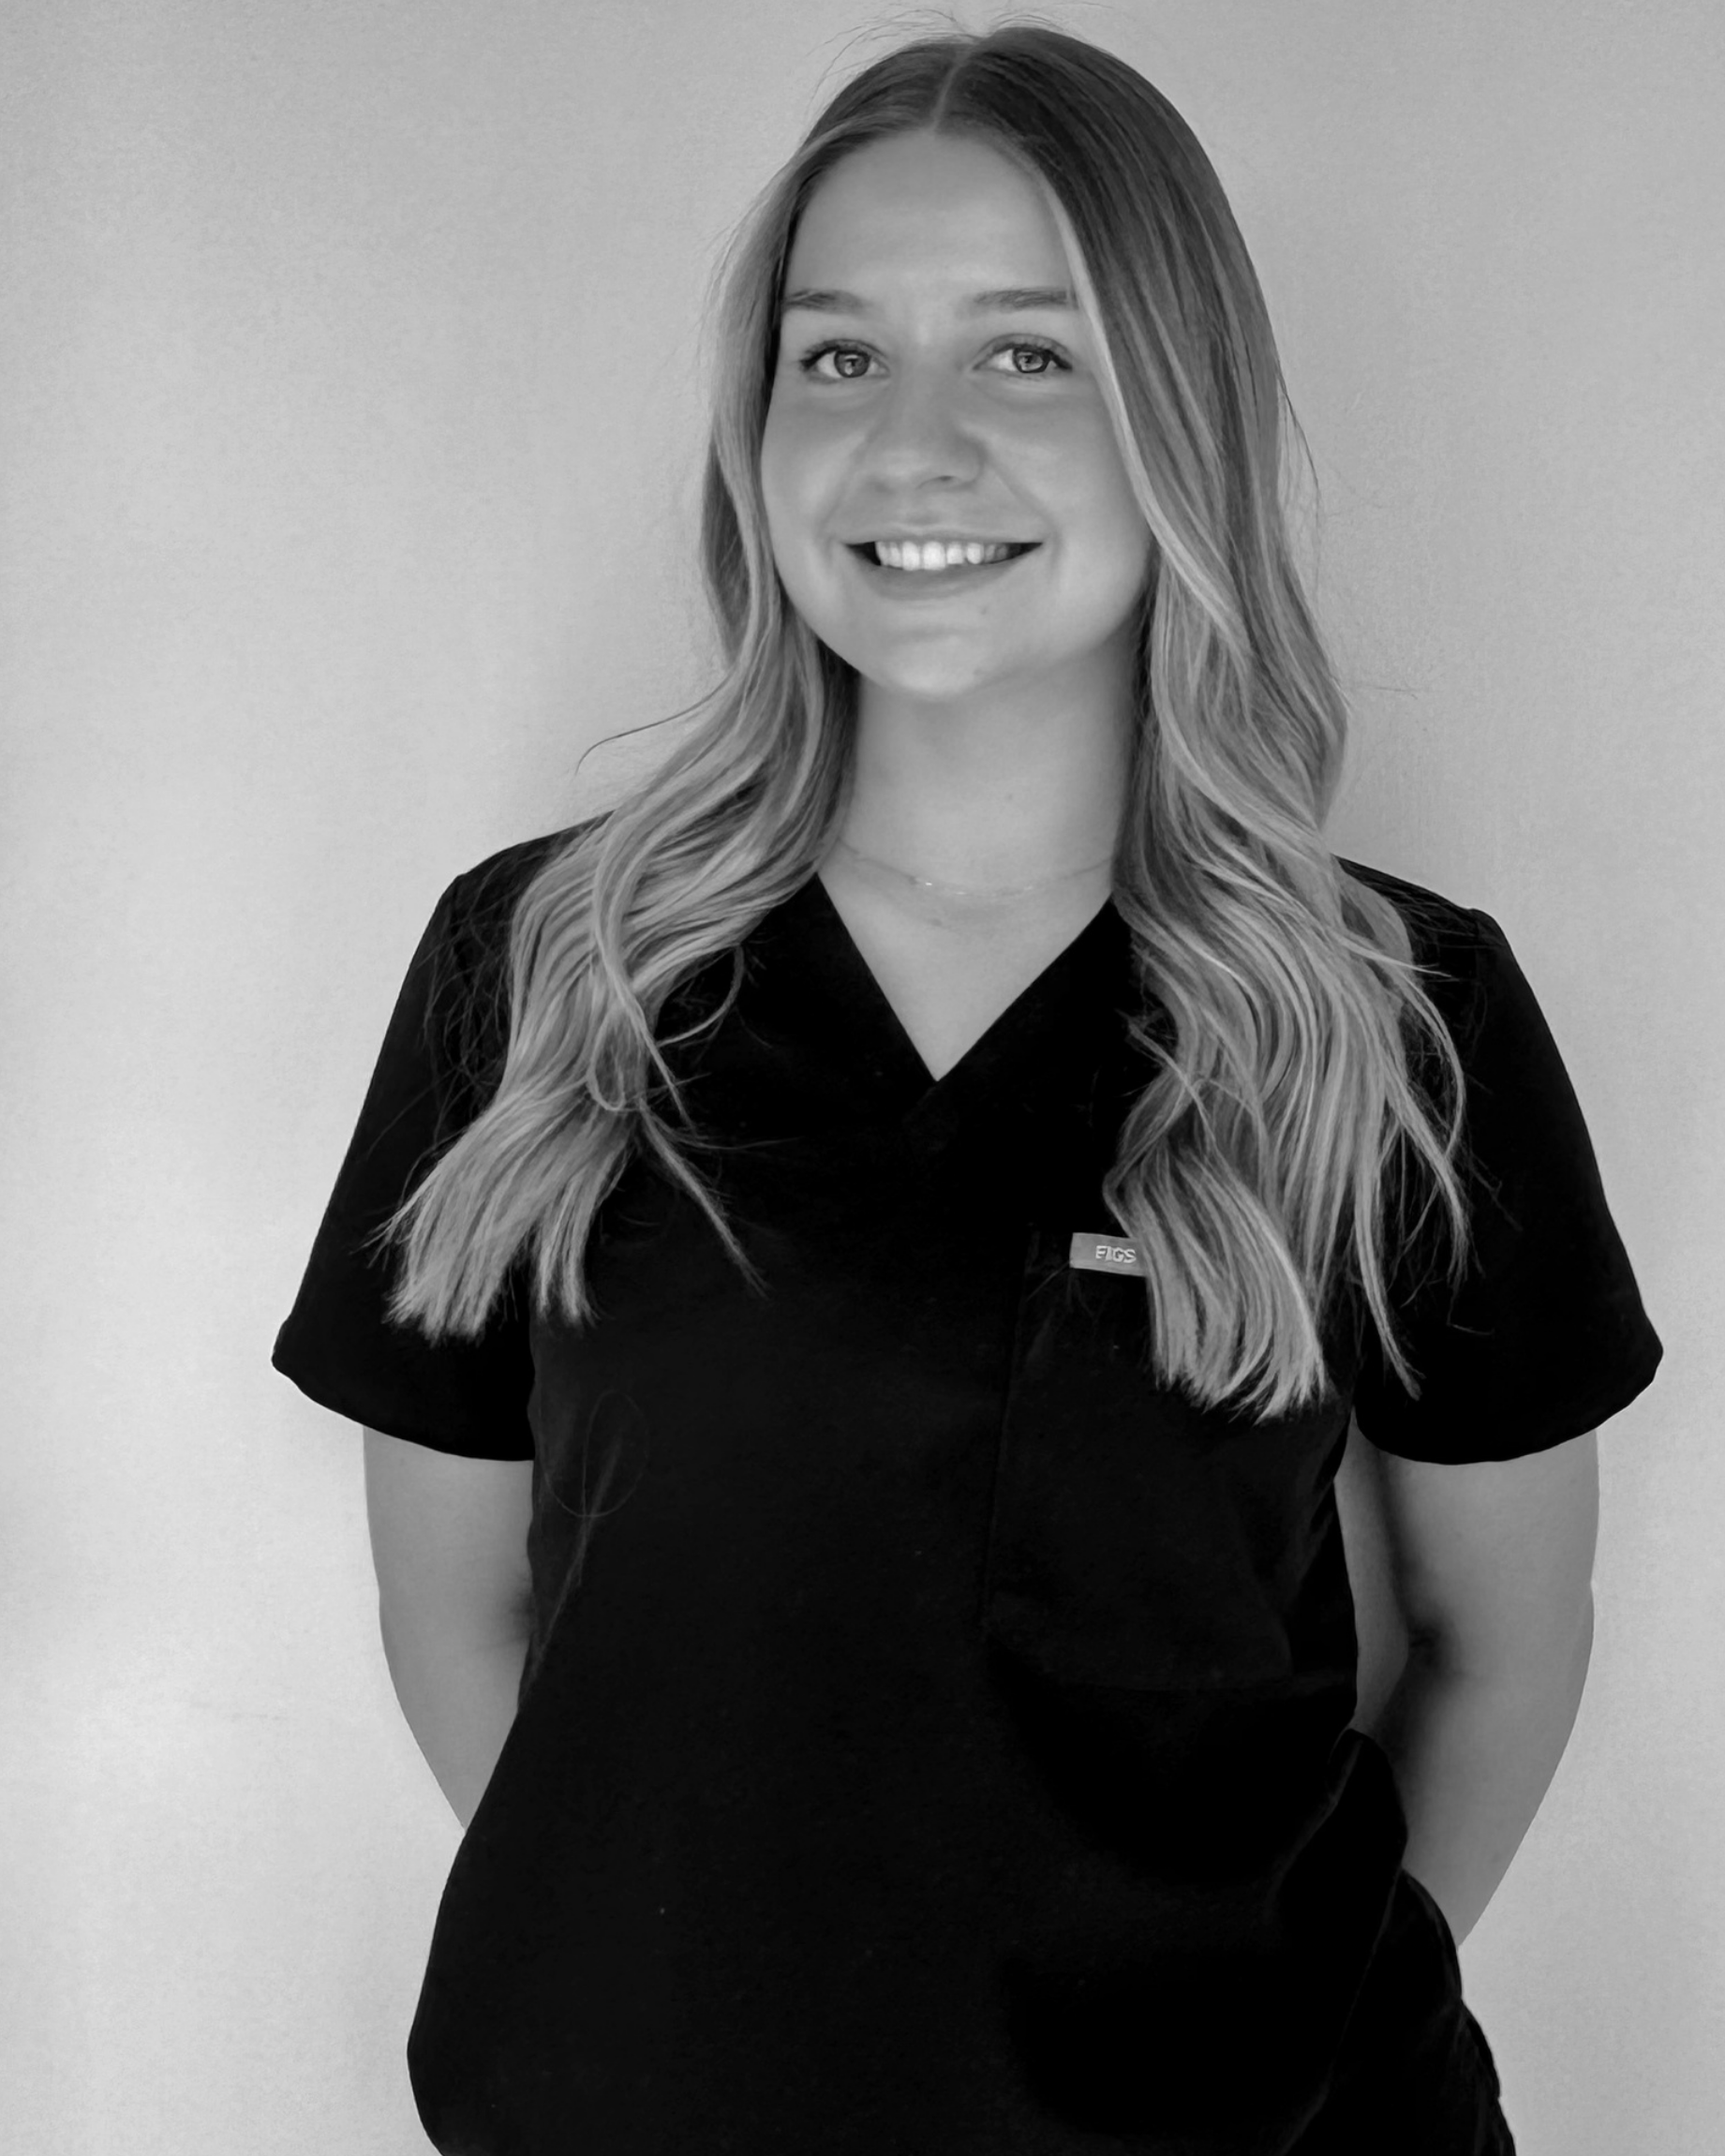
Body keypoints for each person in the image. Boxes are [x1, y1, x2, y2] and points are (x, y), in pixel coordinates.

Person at [273, 22, 1664, 2155]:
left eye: (1028, 356)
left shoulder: (1395, 1016)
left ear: (1176, 420)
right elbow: (456, 1598)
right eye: (835, 360)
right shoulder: (541, 975)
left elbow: (1498, 1639)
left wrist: (1255, 2041)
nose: (907, 447)